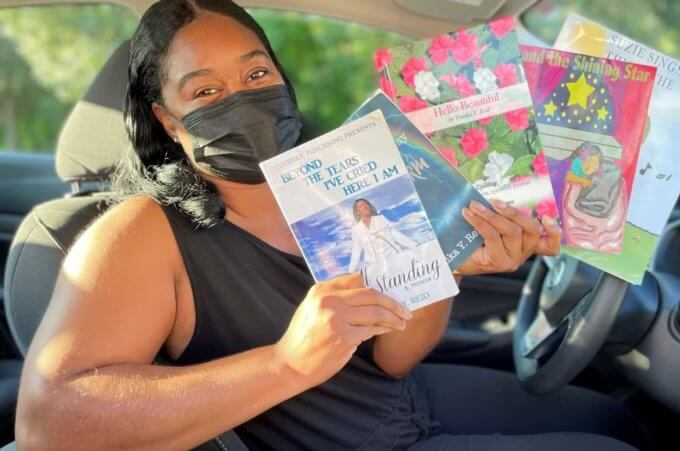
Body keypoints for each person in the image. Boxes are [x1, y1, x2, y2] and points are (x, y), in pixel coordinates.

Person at [14, 1, 642, 450]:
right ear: (168, 120)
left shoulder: (338, 177)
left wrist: (439, 263)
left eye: (257, 75)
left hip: (400, 406)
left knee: (620, 422)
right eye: (205, 92)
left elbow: (394, 359)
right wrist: (288, 363)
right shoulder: (140, 230)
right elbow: (47, 423)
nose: (243, 98)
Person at [348, 198, 417, 273]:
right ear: (357, 212)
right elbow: (356, 250)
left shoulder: (381, 219)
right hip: (376, 267)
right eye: (361, 206)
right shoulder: (356, 230)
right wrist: (351, 272)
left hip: (394, 258)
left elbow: (396, 235)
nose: (365, 206)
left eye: (366, 204)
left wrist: (415, 245)